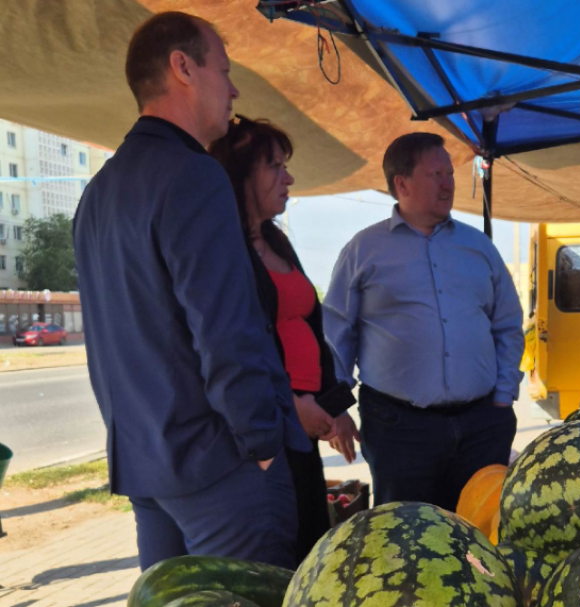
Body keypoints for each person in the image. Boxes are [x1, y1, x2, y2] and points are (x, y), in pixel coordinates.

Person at [73, 12, 310, 571]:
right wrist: (260, 446)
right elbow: (227, 332)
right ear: (183, 67)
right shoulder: (193, 174)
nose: (231, 90)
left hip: (147, 472)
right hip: (221, 473)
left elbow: (109, 347)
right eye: (224, 71)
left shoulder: (97, 194)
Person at [323, 132, 525, 511]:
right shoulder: (364, 250)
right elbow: (336, 333)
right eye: (436, 174)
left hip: (482, 424)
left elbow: (507, 325)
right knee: (406, 538)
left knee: (481, 531)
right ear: (402, 184)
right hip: (399, 429)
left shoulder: (478, 247)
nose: (448, 183)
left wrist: (503, 394)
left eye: (449, 173)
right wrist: (336, 409)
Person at [209, 116, 351, 563]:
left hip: (304, 425)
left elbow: (311, 327)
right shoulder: (223, 245)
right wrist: (292, 406)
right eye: (274, 166)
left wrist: (334, 407)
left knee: (309, 538)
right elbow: (236, 347)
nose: (288, 178)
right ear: (242, 173)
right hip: (268, 428)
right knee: (280, 552)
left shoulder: (275, 239)